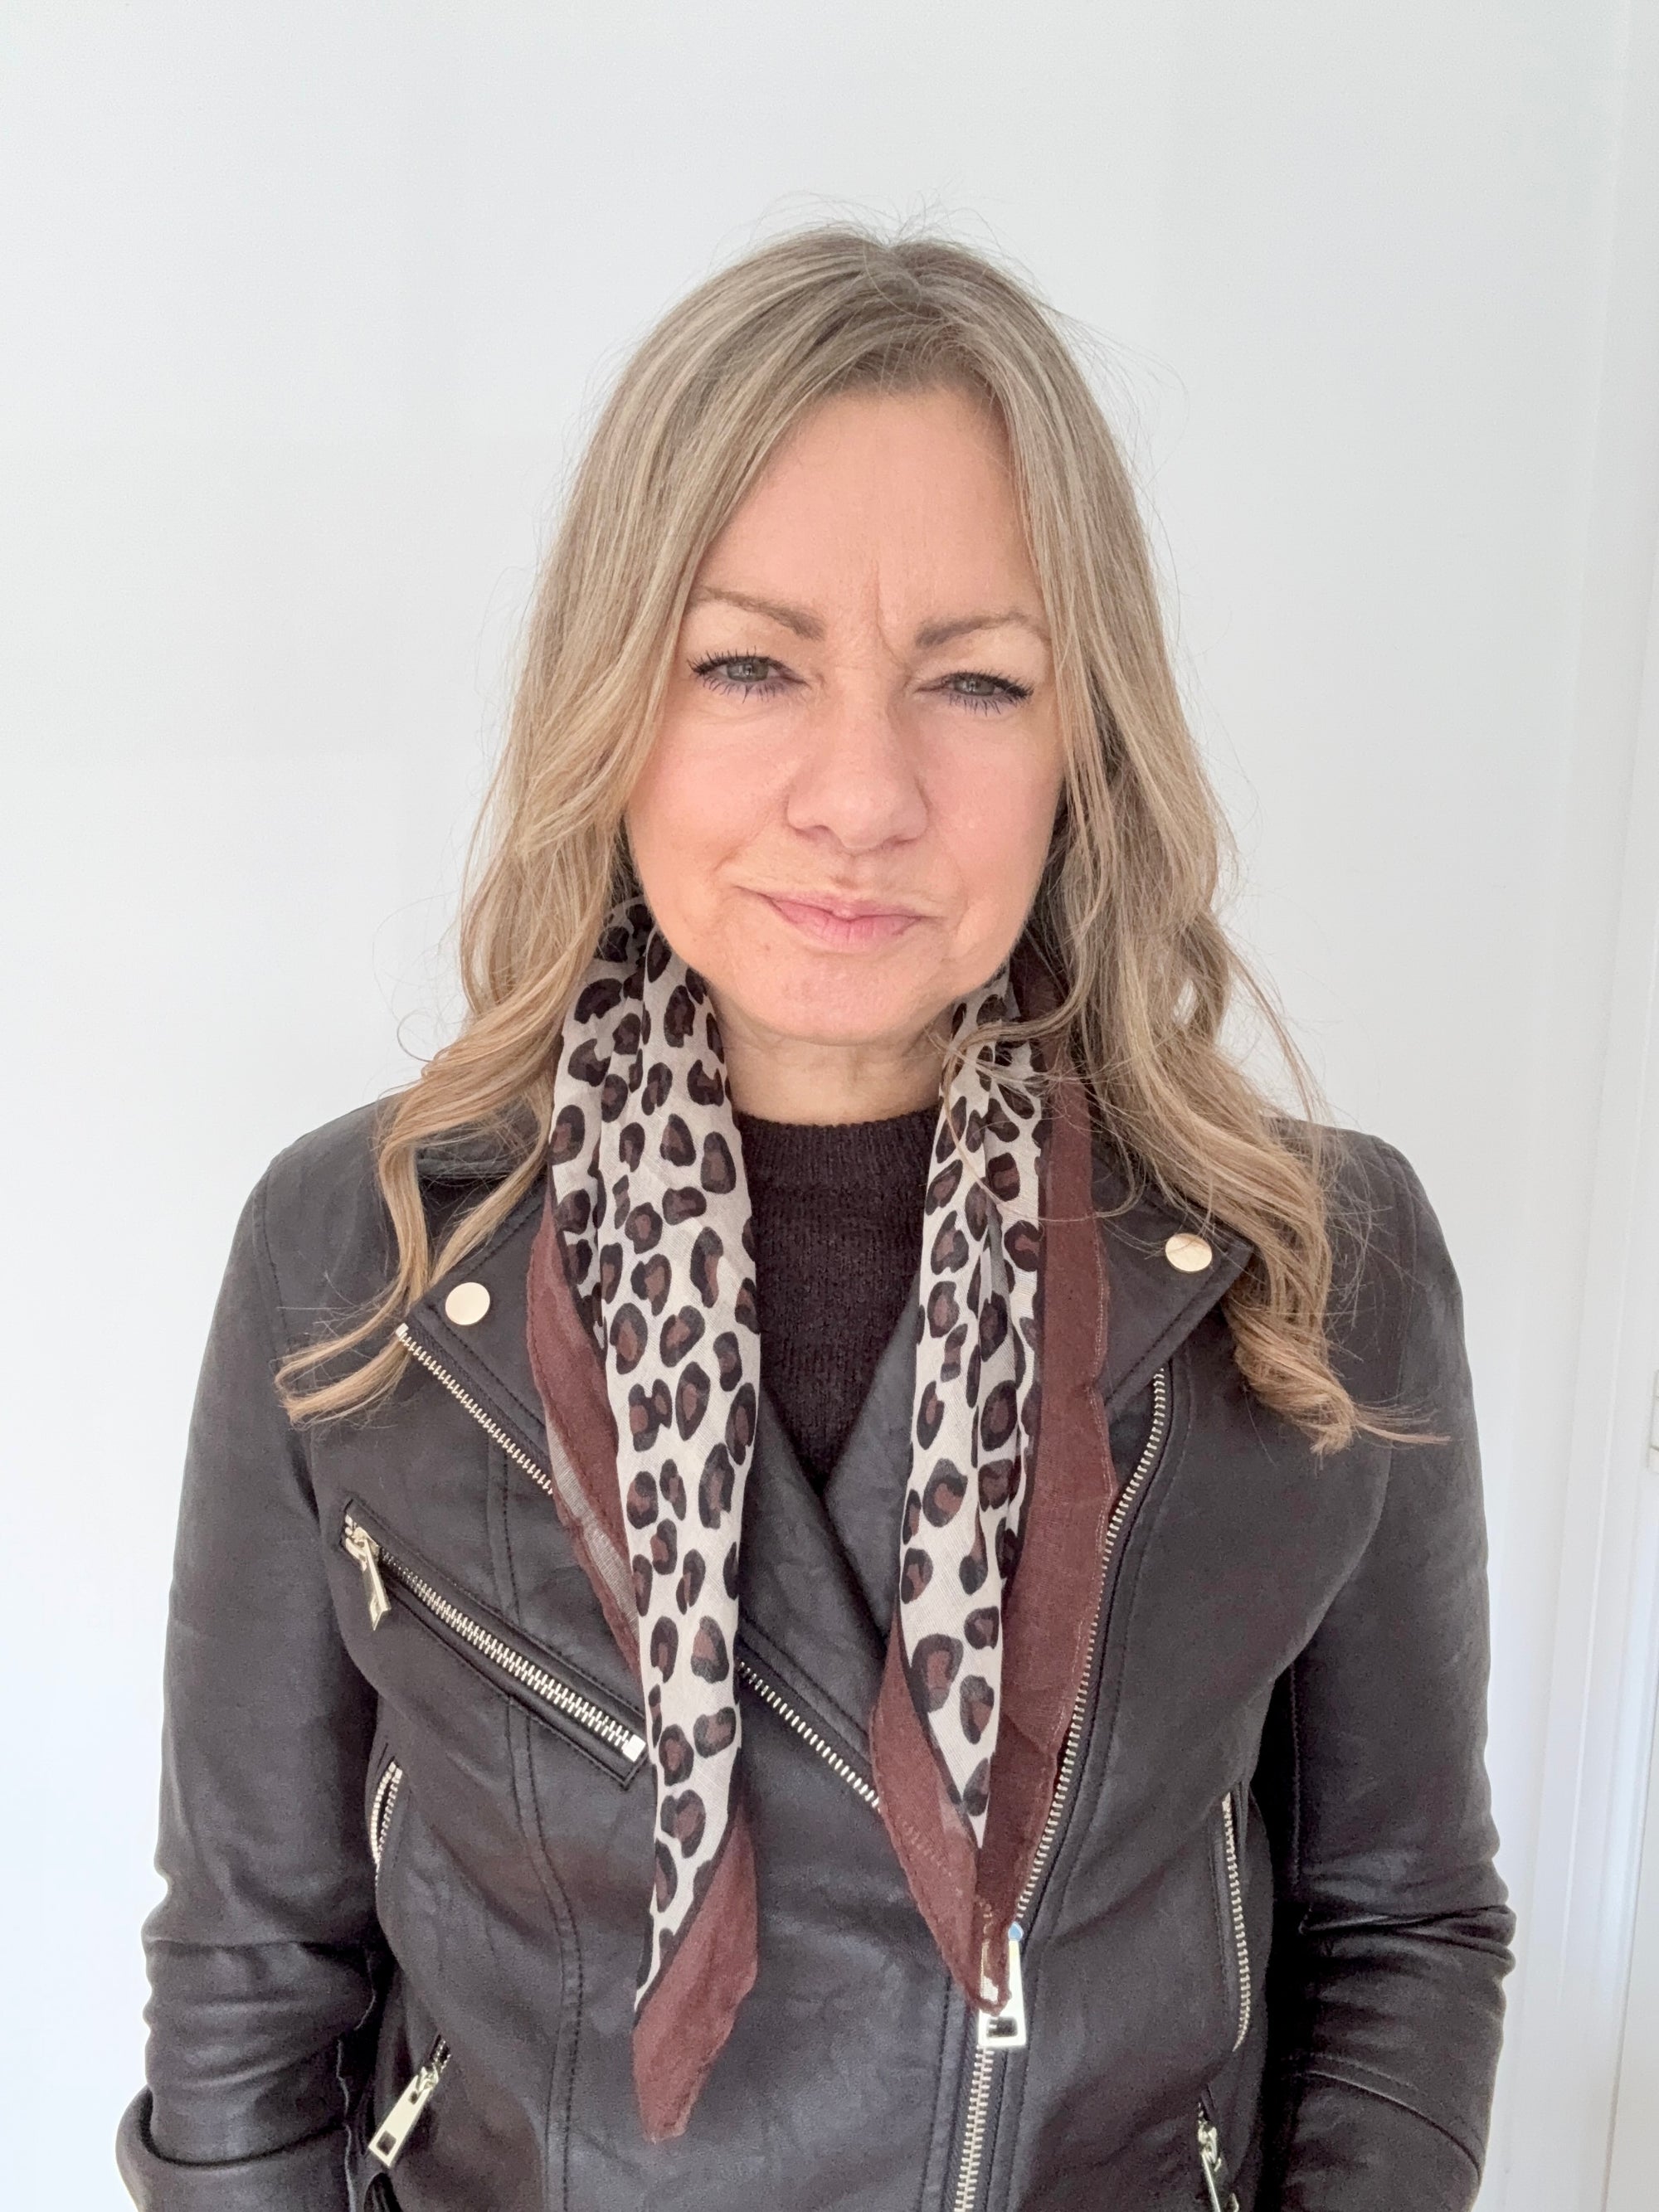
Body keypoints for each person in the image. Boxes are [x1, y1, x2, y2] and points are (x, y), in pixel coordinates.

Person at [117, 225, 1515, 2212]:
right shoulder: (366, 1258)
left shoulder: (1306, 1268)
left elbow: (1401, 1928)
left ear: (1078, 742)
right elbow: (254, 1977)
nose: (859, 791)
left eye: (973, 679)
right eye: (749, 662)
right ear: (616, 700)